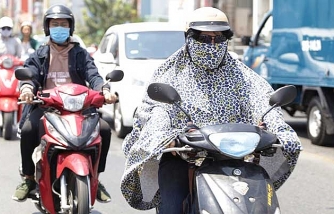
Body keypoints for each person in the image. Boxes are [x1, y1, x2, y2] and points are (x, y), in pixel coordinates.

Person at [120, 7, 303, 213]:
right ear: (189, 38)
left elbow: (261, 100)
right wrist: (164, 135)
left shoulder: (242, 75)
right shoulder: (169, 74)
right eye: (204, 38)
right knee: (171, 207)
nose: (212, 45)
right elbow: (157, 110)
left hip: (234, 158)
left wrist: (275, 126)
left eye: (219, 38)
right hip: (183, 157)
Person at [12, 4, 116, 203]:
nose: (59, 28)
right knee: (28, 130)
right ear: (47, 28)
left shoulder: (80, 53)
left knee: (104, 130)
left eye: (63, 24)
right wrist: (26, 88)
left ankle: (96, 177)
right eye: (55, 24)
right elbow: (30, 74)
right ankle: (28, 179)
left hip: (79, 108)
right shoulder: (40, 53)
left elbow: (93, 75)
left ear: (70, 28)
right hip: (47, 107)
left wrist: (104, 90)